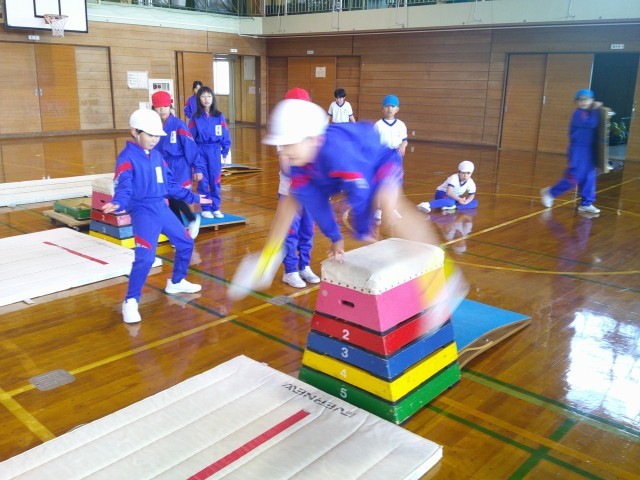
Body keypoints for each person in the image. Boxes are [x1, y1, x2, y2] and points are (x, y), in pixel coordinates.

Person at [227, 98, 437, 300]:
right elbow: (318, 206)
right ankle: (266, 260)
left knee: (390, 203)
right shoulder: (300, 166)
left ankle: (436, 282)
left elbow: (362, 192)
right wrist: (335, 237)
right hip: (336, 171)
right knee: (289, 200)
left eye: (290, 144)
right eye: (283, 145)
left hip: (377, 160)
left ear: (313, 139)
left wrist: (363, 227)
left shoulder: (338, 152)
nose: (285, 152)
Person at [102, 108, 211, 324]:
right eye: (150, 135)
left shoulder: (157, 156)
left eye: (157, 136)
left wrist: (193, 197)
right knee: (145, 258)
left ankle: (176, 281)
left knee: (186, 242)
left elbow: (170, 184)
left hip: (162, 208)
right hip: (143, 212)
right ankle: (130, 301)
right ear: (135, 132)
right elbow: (124, 186)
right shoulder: (126, 158)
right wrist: (118, 202)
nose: (154, 140)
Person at [280, 87, 320, 288]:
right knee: (291, 233)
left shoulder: (314, 132)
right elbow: (285, 165)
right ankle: (290, 270)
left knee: (307, 230)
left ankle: (304, 266)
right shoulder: (283, 132)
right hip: (290, 193)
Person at [151, 90, 205, 239]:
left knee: (176, 195)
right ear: (153, 108)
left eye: (165, 106)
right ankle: (180, 232)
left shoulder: (178, 124)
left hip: (179, 165)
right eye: (158, 107)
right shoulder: (153, 125)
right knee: (169, 199)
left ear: (170, 106)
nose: (162, 110)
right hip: (162, 166)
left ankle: (192, 219)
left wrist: (197, 167)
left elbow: (190, 147)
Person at [540, 89, 602, 214]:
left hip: (589, 149)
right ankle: (550, 193)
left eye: (586, 99)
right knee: (575, 176)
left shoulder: (589, 113)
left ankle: (586, 203)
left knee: (589, 176)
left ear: (592, 100)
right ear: (577, 102)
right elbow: (591, 124)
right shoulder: (579, 114)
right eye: (580, 100)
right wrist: (596, 110)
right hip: (578, 149)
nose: (583, 102)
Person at [188, 86, 231, 219]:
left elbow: (225, 135)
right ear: (199, 99)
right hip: (200, 150)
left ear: (213, 98)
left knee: (215, 180)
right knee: (203, 181)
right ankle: (206, 208)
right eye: (203, 96)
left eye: (209, 96)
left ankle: (216, 207)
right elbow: (190, 139)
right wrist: (193, 158)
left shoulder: (219, 116)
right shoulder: (195, 117)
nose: (206, 99)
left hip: (215, 151)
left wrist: (225, 153)